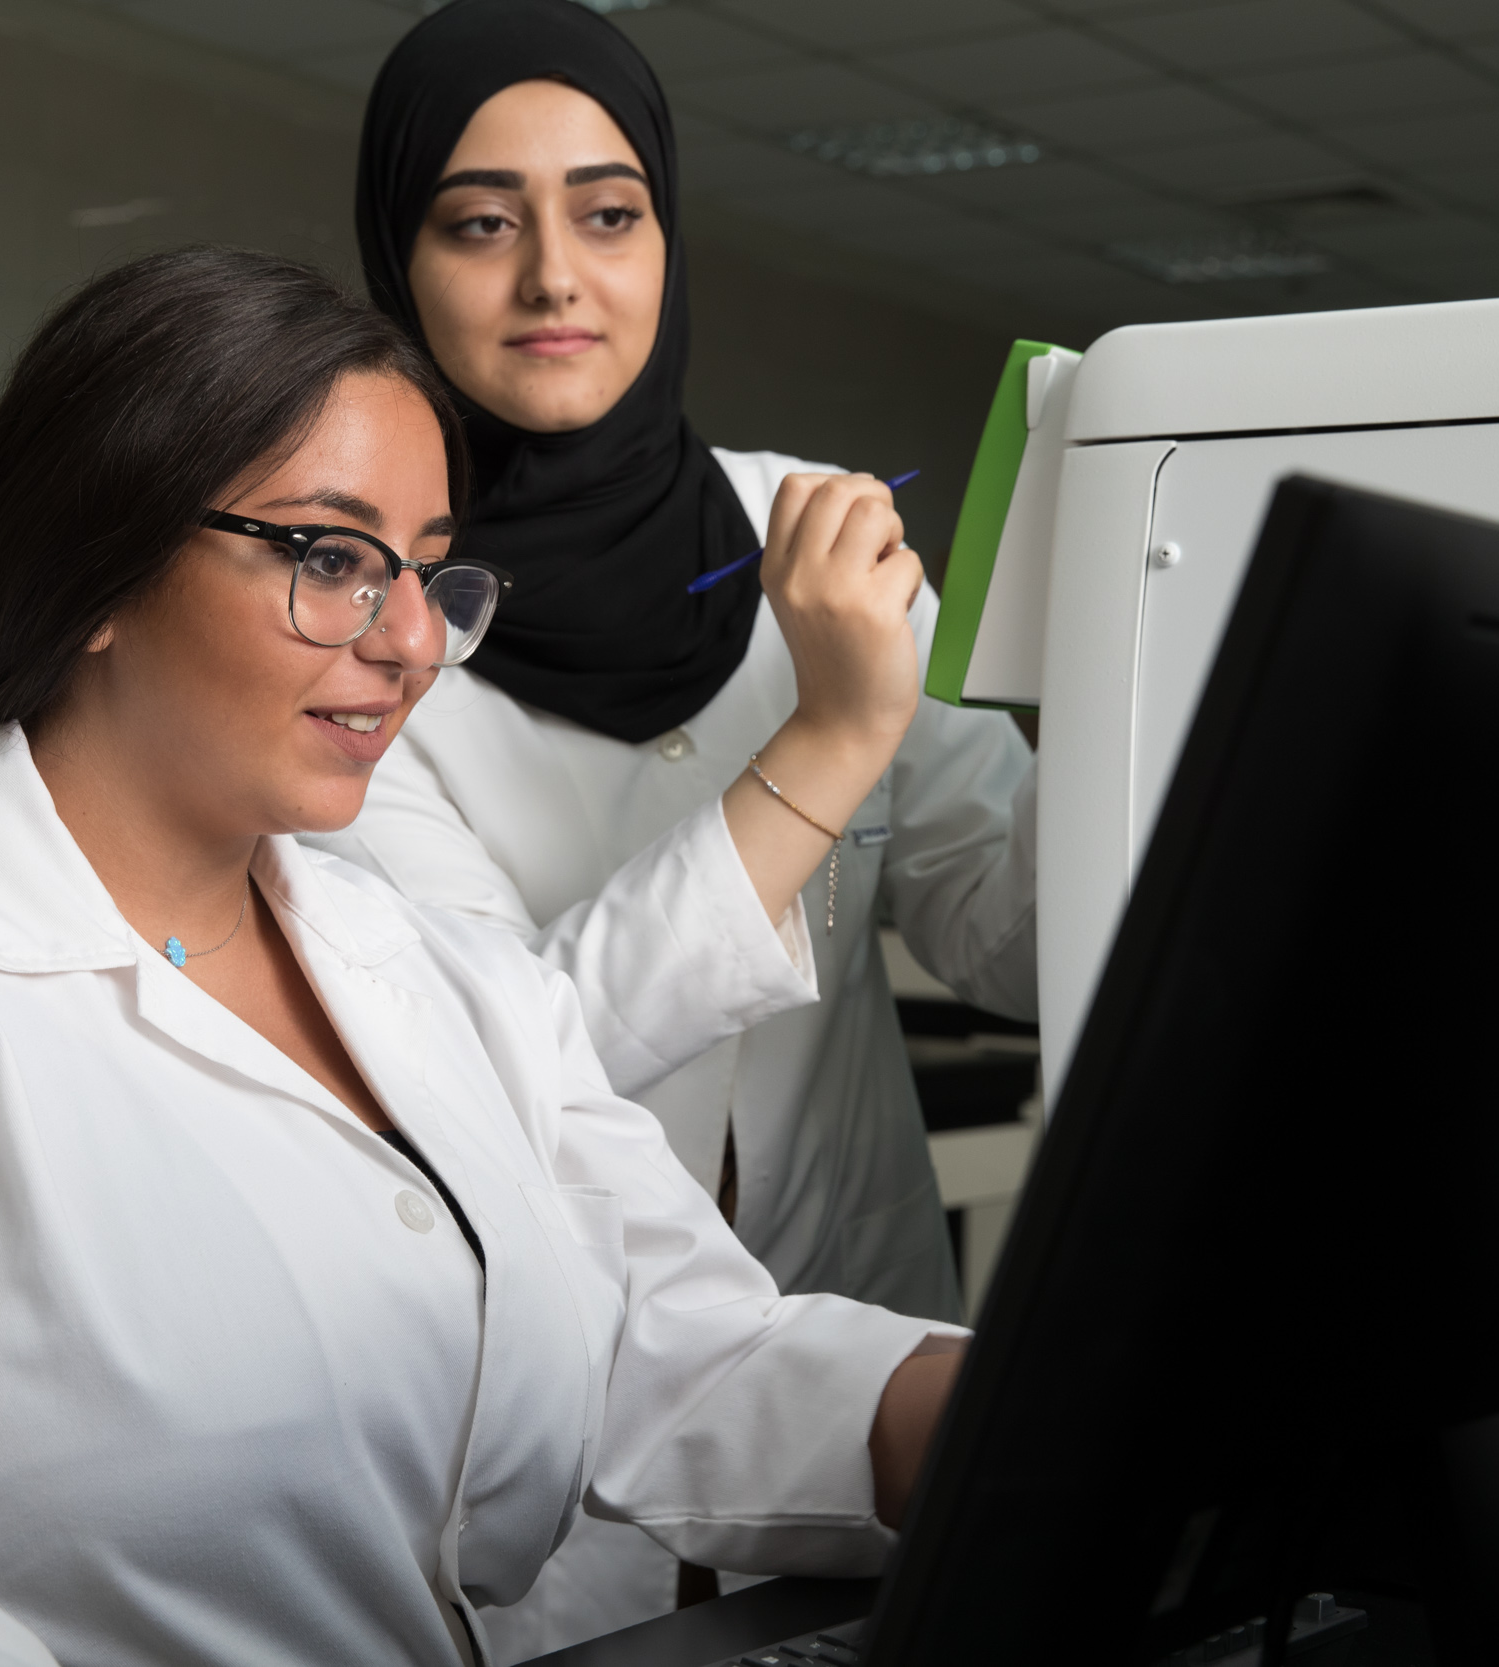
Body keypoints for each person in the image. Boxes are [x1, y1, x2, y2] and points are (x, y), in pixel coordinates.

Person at [0, 247, 965, 1667]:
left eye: (432, 577)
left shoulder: (438, 971)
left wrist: (1032, 1405)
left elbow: (685, 1350)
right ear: (98, 565)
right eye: (333, 559)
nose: (408, 641)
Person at [328, 2, 1039, 1650]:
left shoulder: (815, 539)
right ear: (401, 260)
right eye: (481, 221)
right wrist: (833, 736)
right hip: (553, 1473)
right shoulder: (364, 632)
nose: (555, 278)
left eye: (610, 211)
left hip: (870, 1388)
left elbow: (1010, 927)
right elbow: (510, 1070)